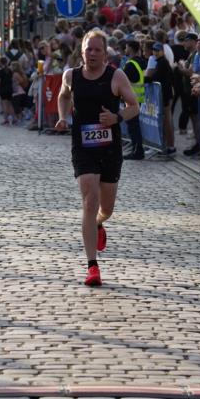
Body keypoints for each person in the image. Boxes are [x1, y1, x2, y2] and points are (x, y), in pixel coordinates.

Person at [55, 29, 139, 287]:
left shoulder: (116, 76)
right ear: (82, 51)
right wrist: (62, 116)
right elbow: (63, 95)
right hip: (83, 147)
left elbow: (134, 106)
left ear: (105, 53)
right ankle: (92, 266)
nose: (92, 54)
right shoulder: (71, 76)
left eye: (97, 50)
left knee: (106, 209)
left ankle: (99, 224)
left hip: (110, 148)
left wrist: (116, 118)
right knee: (89, 202)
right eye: (88, 49)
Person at [145, 41, 176, 155]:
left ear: (162, 51)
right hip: (165, 94)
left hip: (166, 95)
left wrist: (143, 79)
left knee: (167, 121)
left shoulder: (163, 62)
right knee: (165, 120)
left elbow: (155, 77)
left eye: (158, 50)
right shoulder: (160, 62)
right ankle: (167, 145)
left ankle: (171, 146)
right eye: (154, 50)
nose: (156, 52)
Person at [122, 38, 146, 160]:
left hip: (131, 100)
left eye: (126, 47)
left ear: (130, 48)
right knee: (134, 126)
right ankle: (137, 150)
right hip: (137, 99)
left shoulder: (130, 64)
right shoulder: (139, 62)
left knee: (133, 127)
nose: (125, 50)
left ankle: (137, 151)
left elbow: (122, 82)